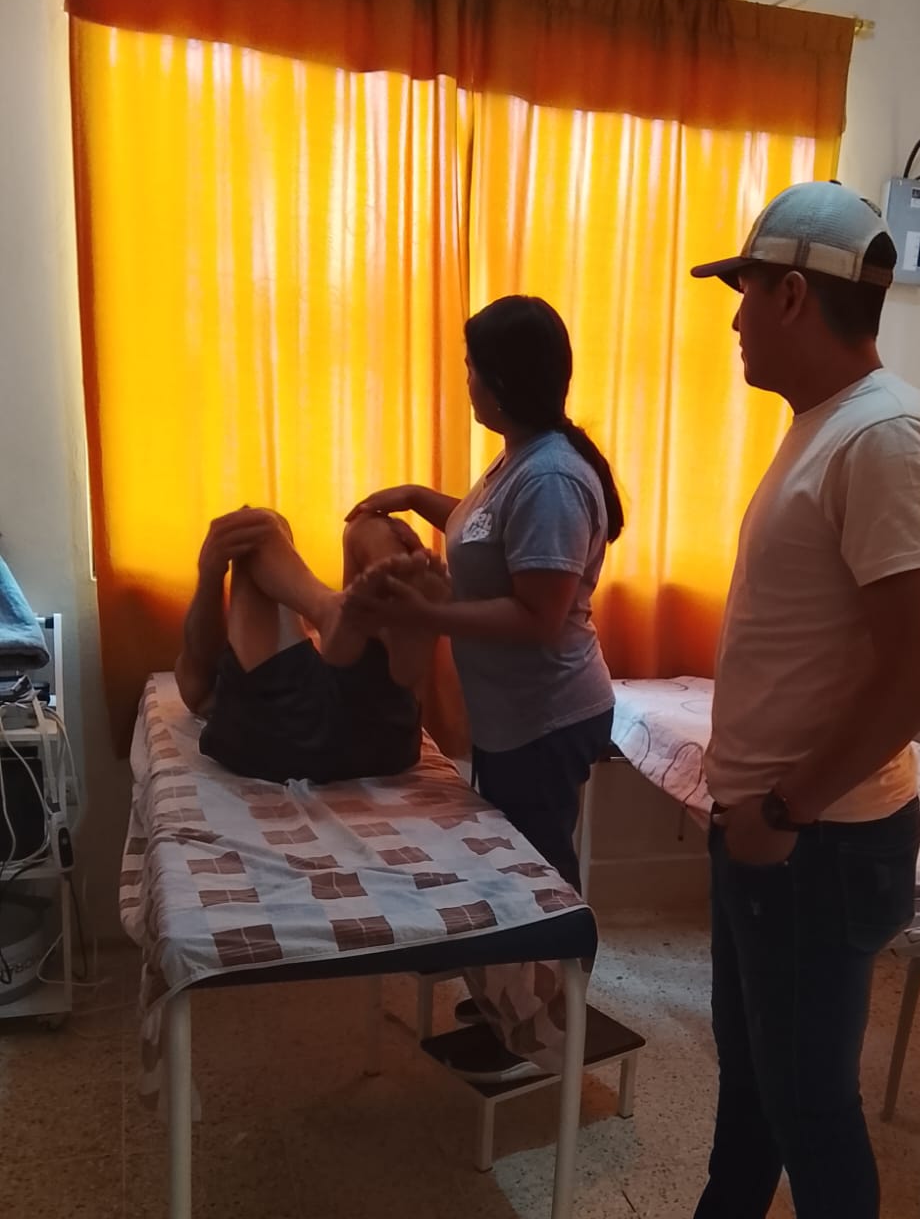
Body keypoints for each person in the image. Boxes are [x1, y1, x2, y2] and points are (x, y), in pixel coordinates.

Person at [582, 182, 920, 1219]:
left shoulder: (888, 437)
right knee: (755, 1071)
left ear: (795, 294)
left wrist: (789, 807)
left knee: (811, 1103)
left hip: (820, 839)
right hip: (773, 828)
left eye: (744, 295)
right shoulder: (826, 429)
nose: (735, 320)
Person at [348, 296, 623, 1078]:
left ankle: (551, 1025)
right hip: (513, 716)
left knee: (540, 871)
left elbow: (538, 616)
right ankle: (518, 997)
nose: (464, 379)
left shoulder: (552, 478)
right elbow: (481, 534)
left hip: (549, 714)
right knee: (514, 862)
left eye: (472, 367)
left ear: (501, 379)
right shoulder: (518, 458)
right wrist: (417, 497)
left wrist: (427, 615)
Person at [175, 505, 447, 784]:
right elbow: (196, 687)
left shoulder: (323, 638)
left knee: (366, 525)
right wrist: (210, 574)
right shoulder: (250, 640)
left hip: (300, 726)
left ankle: (381, 610)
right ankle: (400, 608)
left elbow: (195, 678)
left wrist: (209, 575)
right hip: (386, 736)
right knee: (260, 528)